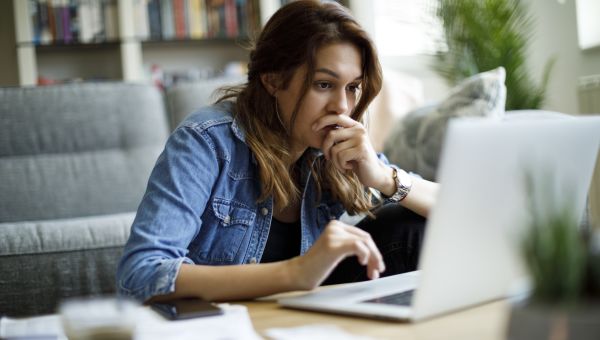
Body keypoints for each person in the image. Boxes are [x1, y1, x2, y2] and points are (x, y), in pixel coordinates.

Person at [116, 0, 438, 303]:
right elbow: (139, 274)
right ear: (272, 78)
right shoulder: (206, 141)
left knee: (410, 225)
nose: (342, 106)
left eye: (352, 87)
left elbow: (456, 211)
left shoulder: (331, 148)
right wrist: (297, 272)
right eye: (323, 84)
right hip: (228, 323)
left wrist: (384, 178)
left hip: (301, 314)